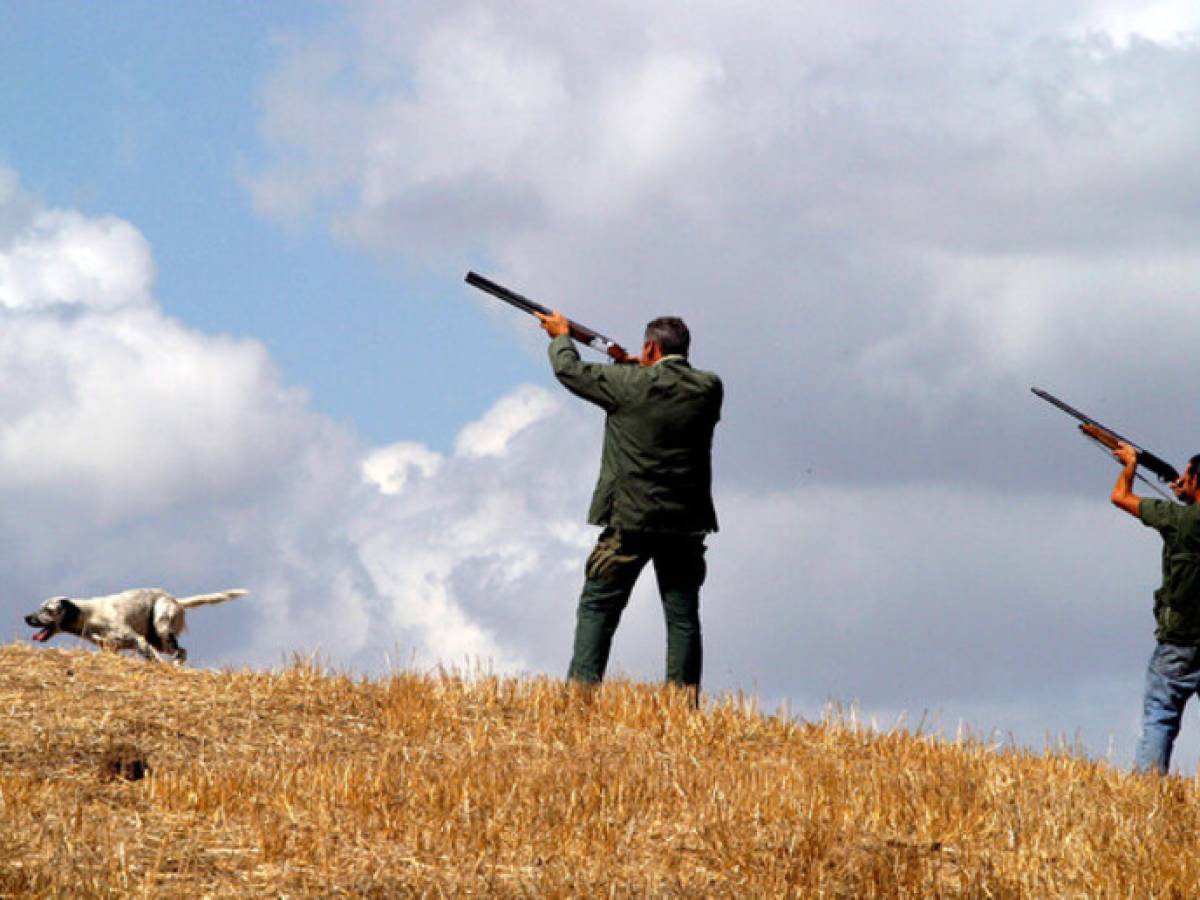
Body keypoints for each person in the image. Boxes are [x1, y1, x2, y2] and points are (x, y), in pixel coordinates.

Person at [535, 309, 722, 699]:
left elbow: (570, 372)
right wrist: (640, 368)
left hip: (630, 519)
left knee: (598, 606)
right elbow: (664, 386)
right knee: (683, 615)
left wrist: (559, 337)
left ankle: (581, 697)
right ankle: (683, 703)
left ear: (650, 346)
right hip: (686, 522)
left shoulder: (628, 384)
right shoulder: (708, 388)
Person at [1109, 442, 1200, 773]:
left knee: (1160, 714)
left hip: (1179, 640)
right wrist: (1188, 494)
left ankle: (1147, 793)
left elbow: (1120, 496)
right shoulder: (1182, 515)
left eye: (1188, 475)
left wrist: (1130, 465)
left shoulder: (1178, 520)